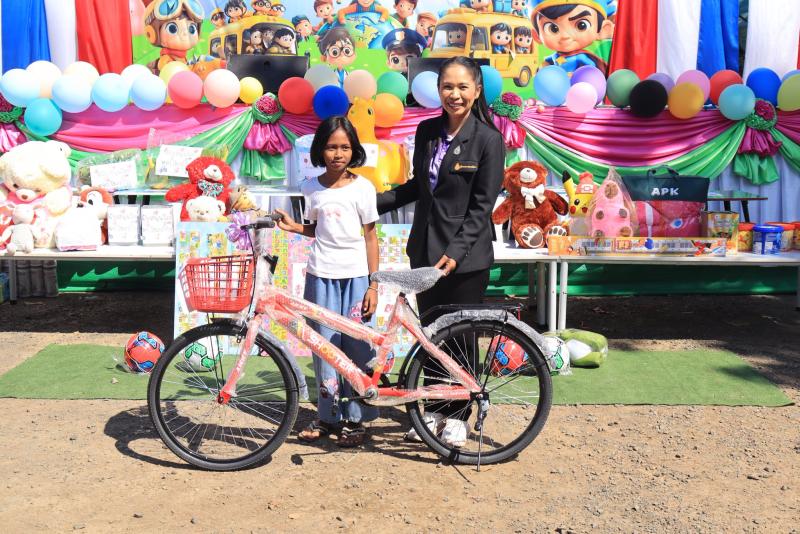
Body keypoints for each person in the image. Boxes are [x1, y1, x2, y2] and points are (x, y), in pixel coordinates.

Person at [376, 56, 505, 446]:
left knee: (460, 339)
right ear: (438, 90)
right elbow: (418, 187)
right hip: (425, 250)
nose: (455, 94)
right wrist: (367, 203)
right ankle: (434, 407)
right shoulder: (427, 130)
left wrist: (457, 250)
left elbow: (482, 206)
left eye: (463, 87)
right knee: (431, 335)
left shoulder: (488, 139)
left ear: (477, 90)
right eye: (448, 86)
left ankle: (459, 414)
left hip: (466, 258)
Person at [275, 116, 380, 448]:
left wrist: (374, 285)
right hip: (320, 276)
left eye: (345, 147)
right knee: (323, 348)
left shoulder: (364, 188)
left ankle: (357, 419)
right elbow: (317, 228)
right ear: (320, 150)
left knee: (358, 348)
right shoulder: (310, 187)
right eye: (332, 147)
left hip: (357, 279)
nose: (338, 154)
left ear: (354, 149)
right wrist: (295, 227)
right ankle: (327, 416)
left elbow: (371, 238)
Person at [531, 0, 616, 74]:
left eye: (581, 25)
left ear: (603, 30)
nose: (565, 36)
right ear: (537, 35)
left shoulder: (581, 57)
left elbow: (591, 70)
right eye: (553, 28)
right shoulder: (555, 56)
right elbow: (547, 62)